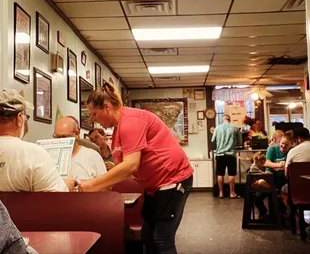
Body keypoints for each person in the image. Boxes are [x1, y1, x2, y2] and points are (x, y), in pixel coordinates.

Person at [78, 82, 193, 254]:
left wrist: (92, 185)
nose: (93, 119)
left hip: (172, 180)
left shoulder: (130, 121)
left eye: (94, 114)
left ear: (107, 107)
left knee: (161, 238)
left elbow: (131, 165)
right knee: (147, 235)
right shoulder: (119, 128)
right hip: (156, 185)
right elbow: (126, 166)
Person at [0, 89, 70, 192]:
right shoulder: (33, 154)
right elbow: (57, 202)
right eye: (26, 118)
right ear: (19, 119)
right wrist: (68, 184)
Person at [54, 116, 107, 182]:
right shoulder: (51, 159)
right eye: (57, 137)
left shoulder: (93, 156)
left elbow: (105, 185)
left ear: (77, 133)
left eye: (64, 137)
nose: (61, 141)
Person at [211, 114, 242, 199]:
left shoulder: (217, 128)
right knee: (231, 174)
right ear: (230, 119)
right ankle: (232, 193)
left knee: (220, 174)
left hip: (220, 154)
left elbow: (213, 140)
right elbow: (240, 142)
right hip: (231, 154)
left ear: (222, 119)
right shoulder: (235, 128)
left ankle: (221, 193)